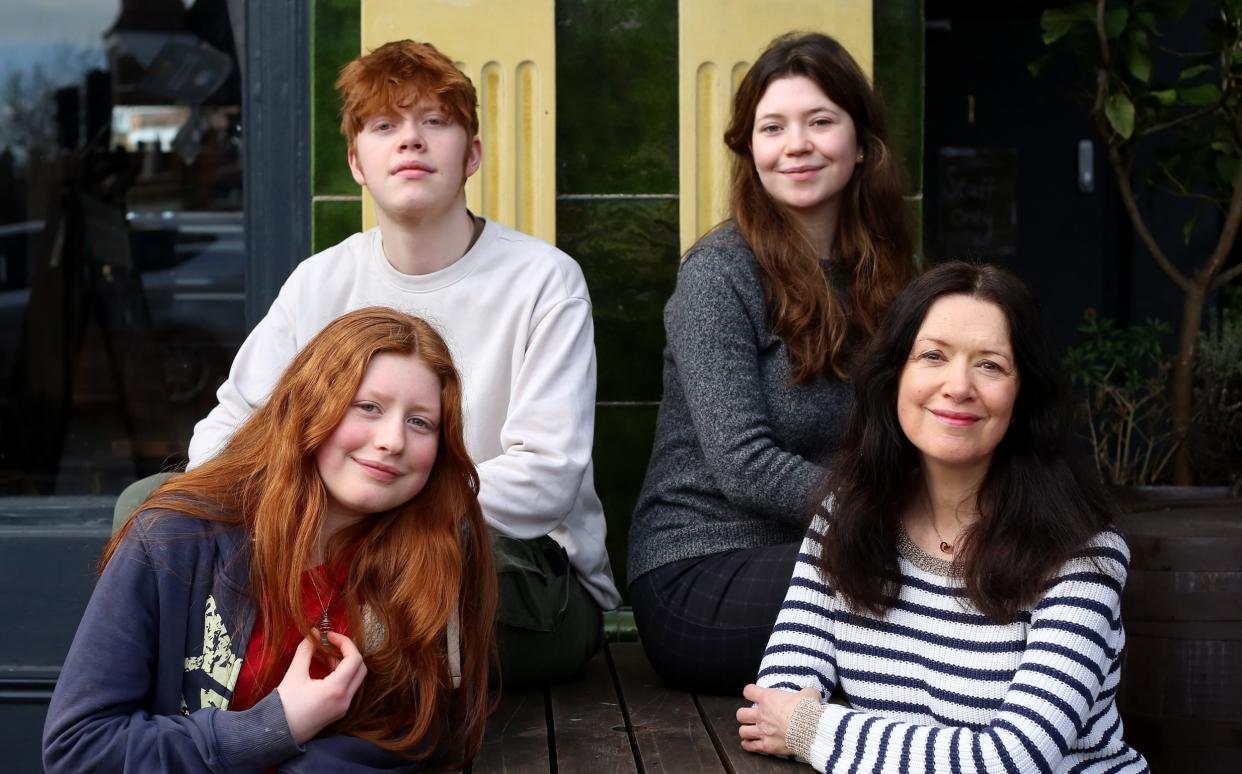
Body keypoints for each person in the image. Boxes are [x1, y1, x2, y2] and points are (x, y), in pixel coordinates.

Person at [120, 39, 619, 684]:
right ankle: (204, 703)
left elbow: (545, 480)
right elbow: (224, 436)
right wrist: (318, 514)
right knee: (153, 503)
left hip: (512, 572)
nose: (410, 141)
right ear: (358, 162)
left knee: (427, 555)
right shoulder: (318, 282)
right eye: (385, 125)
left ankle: (323, 685)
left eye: (434, 122)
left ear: (471, 155)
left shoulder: (544, 281)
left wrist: (362, 512)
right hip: (334, 551)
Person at [44, 307, 497, 772]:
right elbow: (80, 749)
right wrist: (273, 727)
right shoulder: (174, 536)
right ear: (312, 405)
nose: (392, 440)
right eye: (368, 407)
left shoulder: (435, 552)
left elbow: (421, 737)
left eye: (420, 422)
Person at [738, 263, 1149, 773]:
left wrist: (813, 728)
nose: (958, 386)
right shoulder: (846, 512)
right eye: (933, 356)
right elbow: (778, 695)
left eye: (991, 365)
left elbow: (1010, 759)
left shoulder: (1079, 553)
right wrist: (806, 721)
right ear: (894, 379)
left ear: (1022, 399)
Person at [627, 31, 915, 694]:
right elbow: (743, 465)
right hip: (700, 570)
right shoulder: (718, 275)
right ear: (750, 149)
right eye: (773, 127)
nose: (796, 145)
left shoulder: (894, 276)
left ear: (863, 142)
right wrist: (895, 519)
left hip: (838, 552)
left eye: (820, 121)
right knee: (918, 589)